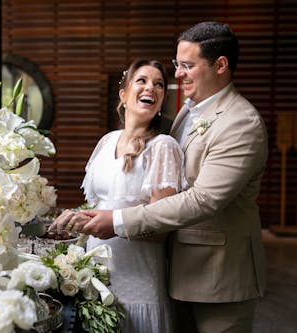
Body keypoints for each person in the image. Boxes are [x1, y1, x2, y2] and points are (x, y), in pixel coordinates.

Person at [53, 22, 268, 333]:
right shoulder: (189, 112)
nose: (177, 75)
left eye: (187, 65)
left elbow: (204, 199)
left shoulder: (240, 122)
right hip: (174, 269)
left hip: (218, 276)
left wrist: (117, 221)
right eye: (177, 65)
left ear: (220, 65)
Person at [52, 59, 186, 332]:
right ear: (123, 94)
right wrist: (75, 218)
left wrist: (113, 225)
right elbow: (99, 205)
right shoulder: (106, 141)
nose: (151, 87)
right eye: (142, 80)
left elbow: (162, 227)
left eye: (159, 84)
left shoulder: (163, 147)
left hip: (138, 282)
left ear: (161, 101)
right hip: (96, 282)